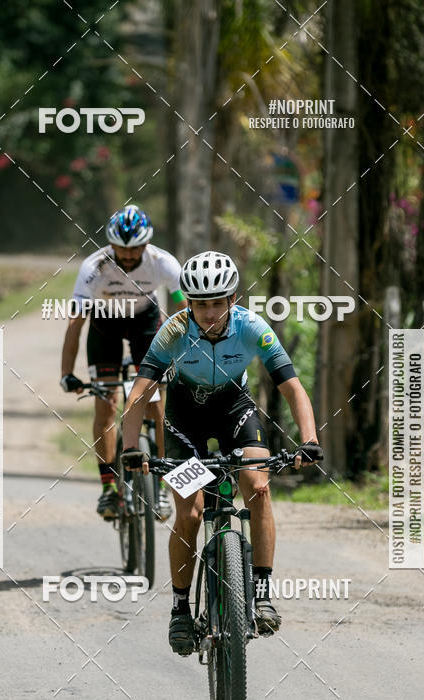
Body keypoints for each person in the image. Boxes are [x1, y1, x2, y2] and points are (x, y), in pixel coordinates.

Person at [121, 250, 322, 655]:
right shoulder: (172, 332)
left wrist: (309, 439)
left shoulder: (253, 327)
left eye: (217, 302)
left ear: (233, 299)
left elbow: (293, 387)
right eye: (200, 304)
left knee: (258, 487)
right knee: (191, 511)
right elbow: (140, 394)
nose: (209, 312)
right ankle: (180, 608)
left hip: (234, 408)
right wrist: (129, 449)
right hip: (183, 418)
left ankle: (261, 592)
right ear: (188, 303)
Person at [60, 204, 186, 520]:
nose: (128, 256)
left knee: (157, 405)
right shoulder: (94, 266)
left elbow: (186, 312)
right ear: (111, 245)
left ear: (147, 244)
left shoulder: (163, 262)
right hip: (105, 325)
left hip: (145, 323)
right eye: (122, 250)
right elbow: (75, 323)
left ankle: (158, 486)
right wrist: (67, 373)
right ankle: (109, 490)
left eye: (135, 250)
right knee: (106, 403)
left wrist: (187, 357)